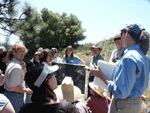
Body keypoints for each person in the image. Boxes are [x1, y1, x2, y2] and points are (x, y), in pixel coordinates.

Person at [90, 21, 150, 113]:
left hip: (123, 106)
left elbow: (121, 92)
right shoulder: (145, 56)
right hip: (136, 103)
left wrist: (100, 76)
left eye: (121, 34)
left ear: (126, 34)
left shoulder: (128, 58)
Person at [4, 43, 33, 113]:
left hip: (9, 95)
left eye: (24, 52)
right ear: (14, 52)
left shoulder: (11, 64)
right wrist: (27, 90)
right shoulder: (16, 67)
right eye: (20, 51)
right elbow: (14, 87)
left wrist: (23, 69)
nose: (23, 54)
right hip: (15, 97)